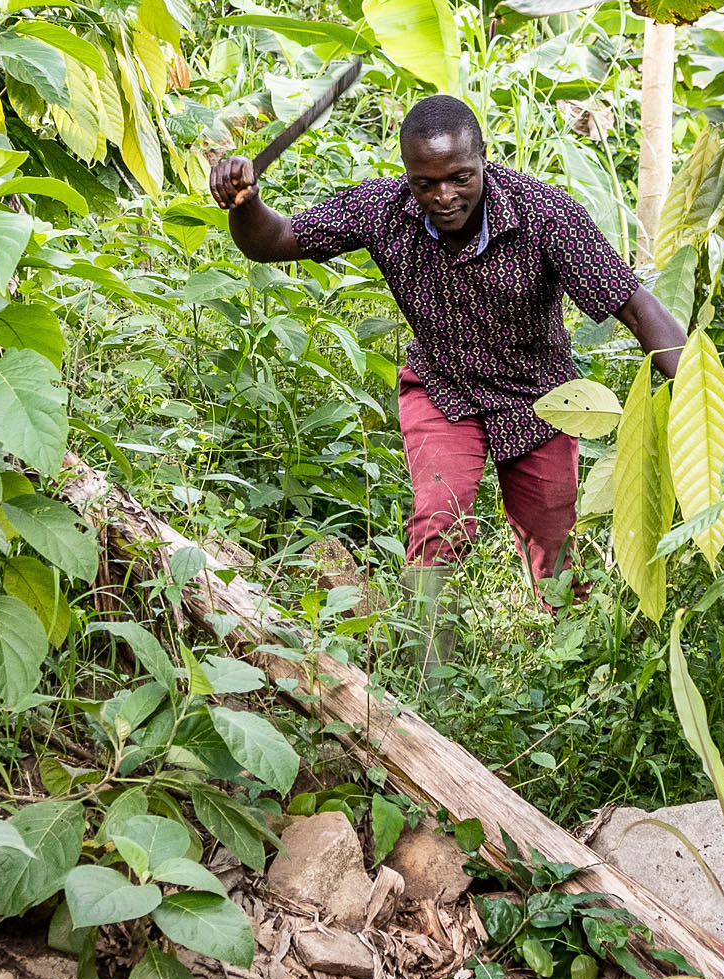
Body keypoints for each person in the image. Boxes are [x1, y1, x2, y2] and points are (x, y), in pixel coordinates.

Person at [208, 92, 686, 610]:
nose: (443, 195)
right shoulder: (382, 210)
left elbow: (635, 307)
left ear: (484, 158)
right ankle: (427, 673)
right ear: (406, 174)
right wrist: (245, 203)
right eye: (425, 183)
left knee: (556, 547)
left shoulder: (546, 215)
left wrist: (696, 393)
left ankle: (565, 652)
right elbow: (274, 239)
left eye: (460, 177)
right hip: (443, 387)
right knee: (439, 522)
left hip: (542, 398)